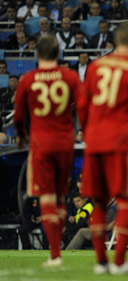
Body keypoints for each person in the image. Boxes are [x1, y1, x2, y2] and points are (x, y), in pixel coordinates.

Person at [78, 21, 128, 275]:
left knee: (98, 203)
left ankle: (101, 263)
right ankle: (120, 262)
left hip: (94, 140)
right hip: (120, 141)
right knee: (125, 201)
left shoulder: (95, 66)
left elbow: (82, 103)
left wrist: (88, 130)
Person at [14, 34, 84, 267]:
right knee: (61, 197)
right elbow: (83, 109)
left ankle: (55, 254)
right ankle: (58, 247)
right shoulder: (70, 77)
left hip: (41, 144)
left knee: (46, 197)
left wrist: (22, 136)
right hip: (65, 144)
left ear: (37, 54)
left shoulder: (28, 79)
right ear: (58, 54)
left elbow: (18, 116)